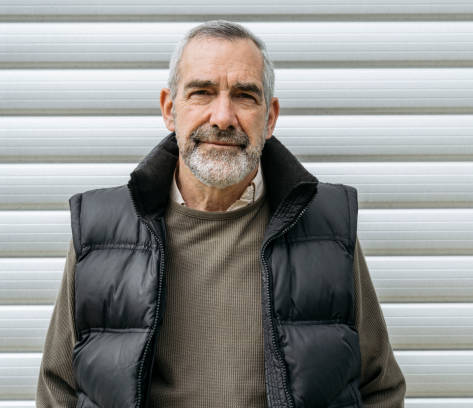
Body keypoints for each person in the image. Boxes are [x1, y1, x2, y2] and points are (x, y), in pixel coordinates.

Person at [36, 20, 405, 407]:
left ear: (270, 116)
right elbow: (58, 389)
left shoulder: (325, 227)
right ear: (169, 108)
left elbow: (379, 387)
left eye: (245, 96)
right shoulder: (101, 230)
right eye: (202, 92)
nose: (222, 117)